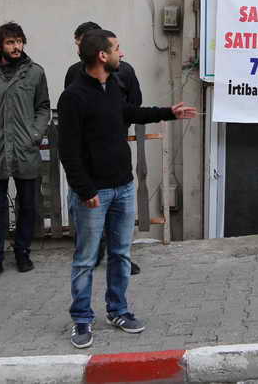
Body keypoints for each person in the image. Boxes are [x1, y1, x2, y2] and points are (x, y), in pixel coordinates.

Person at [58, 30, 196, 349]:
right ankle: (82, 319)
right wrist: (85, 190)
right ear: (102, 56)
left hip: (123, 186)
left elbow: (130, 113)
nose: (122, 53)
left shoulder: (113, 86)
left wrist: (168, 113)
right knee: (85, 259)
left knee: (121, 254)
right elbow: (68, 152)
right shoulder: (73, 96)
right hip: (94, 194)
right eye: (117, 48)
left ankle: (118, 311)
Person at [0, 21, 51, 283]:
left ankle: (22, 252)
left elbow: (43, 107)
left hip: (25, 149)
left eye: (19, 41)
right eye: (10, 42)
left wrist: (35, 134)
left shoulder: (35, 72)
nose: (16, 46)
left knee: (28, 206)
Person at [66, 20, 143, 275]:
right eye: (79, 43)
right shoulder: (74, 76)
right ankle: (93, 252)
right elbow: (72, 125)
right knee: (89, 218)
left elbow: (134, 105)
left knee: (119, 218)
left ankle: (118, 257)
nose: (80, 48)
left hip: (115, 157)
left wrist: (114, 124)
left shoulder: (123, 72)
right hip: (89, 165)